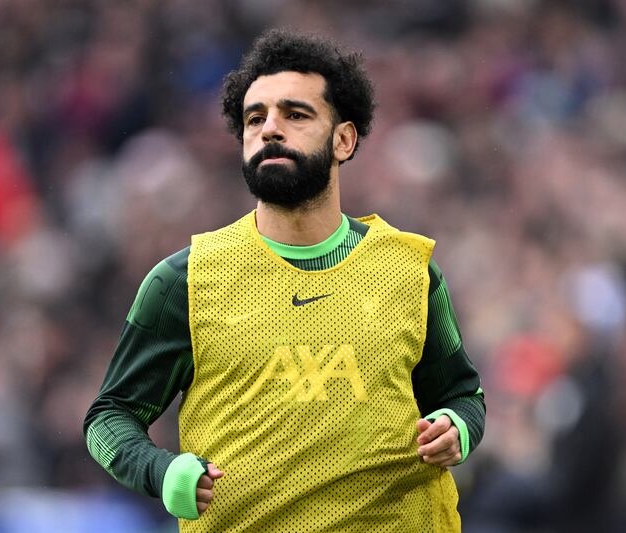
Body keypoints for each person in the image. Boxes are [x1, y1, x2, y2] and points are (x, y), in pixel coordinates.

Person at [84, 28, 485, 532]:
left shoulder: (409, 271)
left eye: (295, 115)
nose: (270, 129)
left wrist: (456, 430)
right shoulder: (183, 282)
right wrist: (162, 472)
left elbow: (464, 398)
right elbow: (107, 419)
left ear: (344, 138)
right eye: (256, 119)